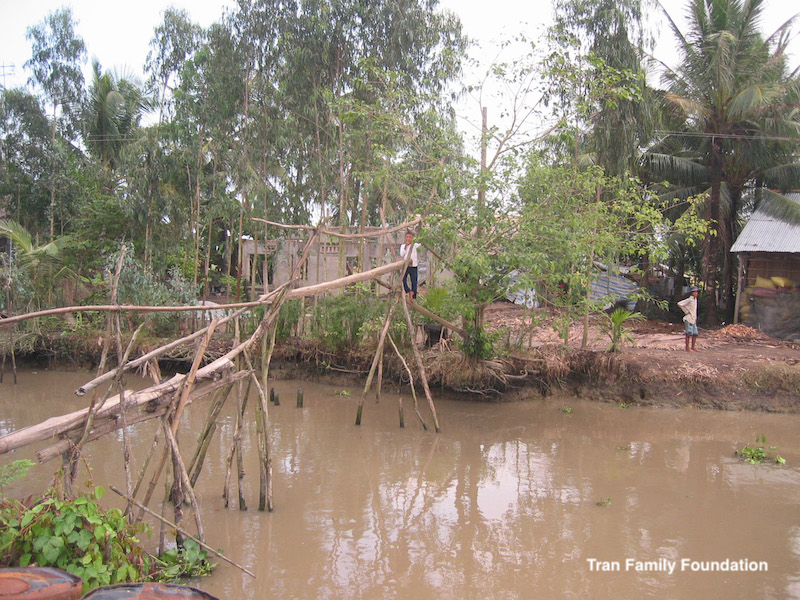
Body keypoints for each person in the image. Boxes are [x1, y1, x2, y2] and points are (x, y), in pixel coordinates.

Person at [399, 230, 421, 302]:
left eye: (410, 237)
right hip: (406, 265)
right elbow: (402, 254)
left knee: (414, 281)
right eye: (407, 237)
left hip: (414, 265)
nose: (409, 238)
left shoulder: (414, 245)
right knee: (403, 279)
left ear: (412, 238)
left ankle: (413, 296)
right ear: (405, 238)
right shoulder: (402, 246)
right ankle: (408, 291)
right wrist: (406, 246)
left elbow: (421, 243)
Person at [678, 286, 700, 352]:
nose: (696, 293)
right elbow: (680, 303)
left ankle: (693, 347)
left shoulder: (695, 300)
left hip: (693, 319)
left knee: (695, 333)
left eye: (696, 292)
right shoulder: (689, 300)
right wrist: (686, 311)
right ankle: (687, 347)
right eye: (694, 292)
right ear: (692, 293)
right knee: (688, 333)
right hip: (689, 318)